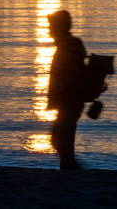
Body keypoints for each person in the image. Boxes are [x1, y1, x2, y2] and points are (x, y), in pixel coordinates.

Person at [46, 9, 88, 170]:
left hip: (70, 102)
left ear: (60, 27)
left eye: (51, 26)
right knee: (62, 140)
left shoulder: (68, 48)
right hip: (70, 102)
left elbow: (72, 76)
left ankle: (71, 168)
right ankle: (70, 167)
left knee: (60, 139)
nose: (49, 29)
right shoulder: (67, 46)